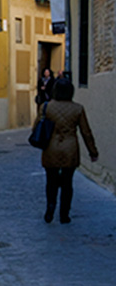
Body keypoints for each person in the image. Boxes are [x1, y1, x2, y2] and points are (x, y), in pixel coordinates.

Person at [39, 78, 99, 223]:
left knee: (51, 181)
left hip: (51, 148)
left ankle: (50, 207)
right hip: (70, 148)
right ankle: (64, 214)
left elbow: (36, 128)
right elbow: (86, 132)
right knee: (67, 183)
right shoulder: (78, 109)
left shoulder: (46, 107)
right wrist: (93, 152)